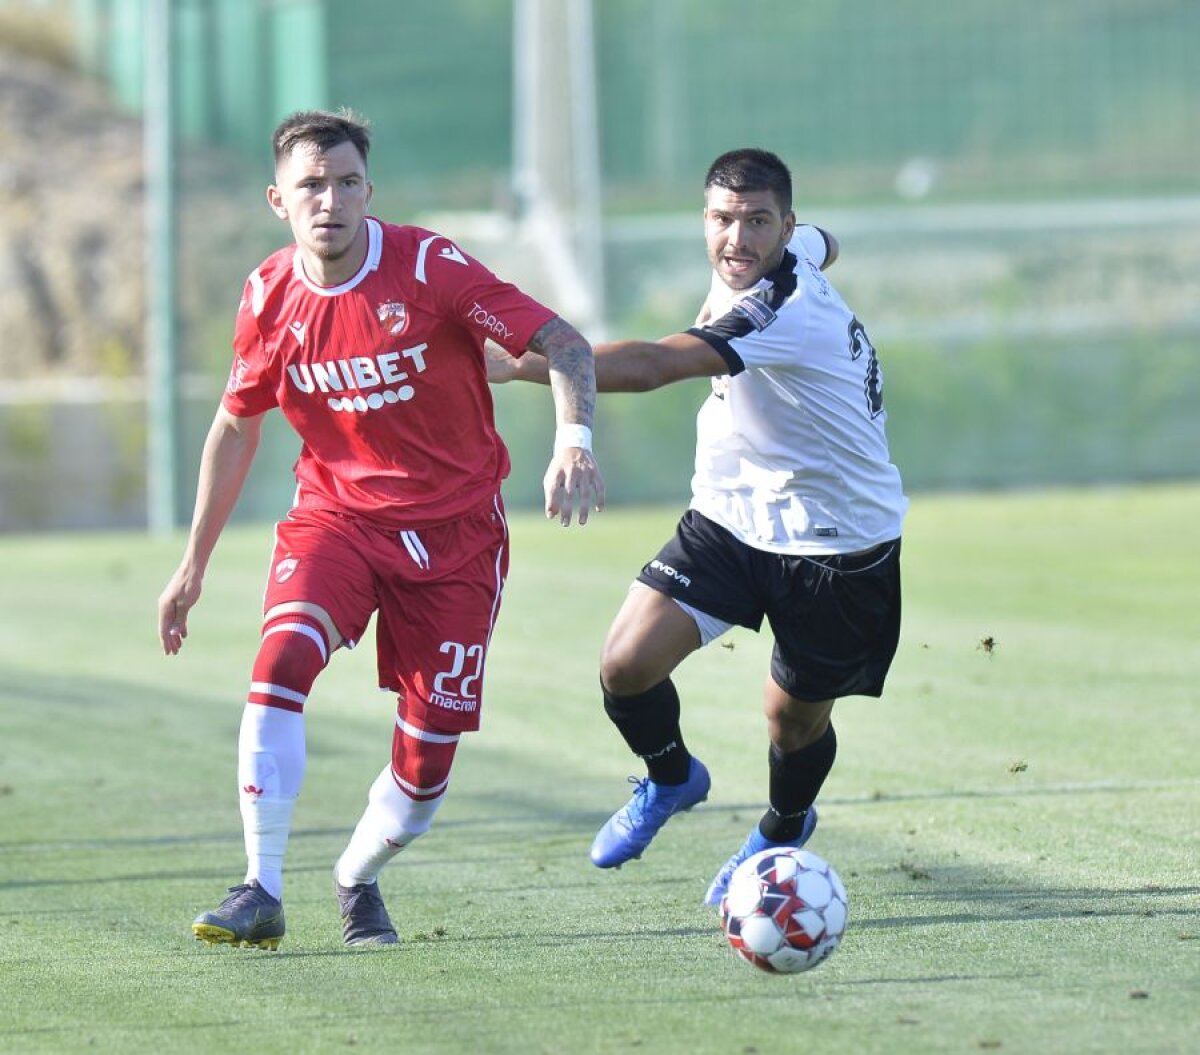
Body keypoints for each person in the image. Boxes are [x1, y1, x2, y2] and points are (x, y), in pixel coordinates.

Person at [157, 109, 604, 949]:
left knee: (427, 762)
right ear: (277, 200)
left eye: (347, 182)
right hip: (338, 519)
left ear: (370, 190)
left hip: (459, 535)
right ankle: (259, 885)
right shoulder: (266, 297)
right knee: (280, 658)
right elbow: (235, 425)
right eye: (311, 186)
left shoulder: (429, 266)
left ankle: (355, 878)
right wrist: (193, 565)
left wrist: (573, 443)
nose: (331, 201)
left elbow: (563, 342)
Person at [488, 148, 905, 906]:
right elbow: (826, 242)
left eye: (756, 223)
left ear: (782, 225)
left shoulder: (780, 305)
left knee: (790, 722)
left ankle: (781, 828)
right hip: (730, 516)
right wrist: (811, 239)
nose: (737, 240)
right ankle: (672, 776)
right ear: (705, 218)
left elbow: (650, 366)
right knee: (626, 664)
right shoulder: (787, 248)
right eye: (723, 219)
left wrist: (522, 365)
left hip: (835, 545)